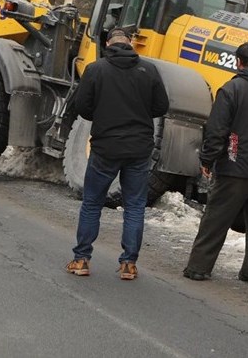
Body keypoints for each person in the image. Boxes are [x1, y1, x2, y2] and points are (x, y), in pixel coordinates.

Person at [65, 27, 170, 281]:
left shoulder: (96, 69)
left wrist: (103, 115)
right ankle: (128, 265)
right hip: (138, 150)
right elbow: (161, 106)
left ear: (108, 43)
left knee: (92, 203)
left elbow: (83, 107)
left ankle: (81, 260)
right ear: (130, 43)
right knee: (134, 206)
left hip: (105, 148)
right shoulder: (149, 70)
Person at [183, 40, 248, 285]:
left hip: (235, 167)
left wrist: (207, 159)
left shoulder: (231, 90)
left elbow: (217, 129)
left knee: (217, 217)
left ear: (238, 62)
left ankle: (198, 268)